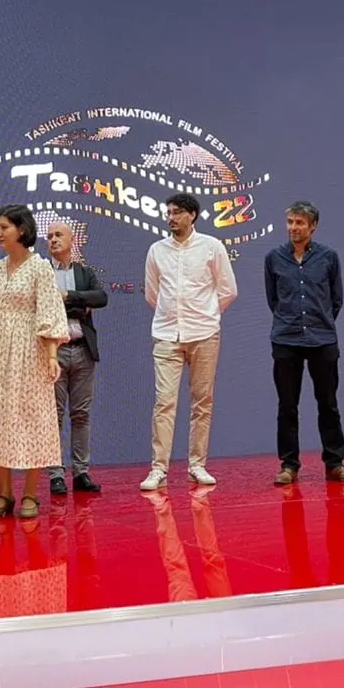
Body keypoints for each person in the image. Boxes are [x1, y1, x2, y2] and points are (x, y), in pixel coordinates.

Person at [0, 204, 69, 519]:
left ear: (21, 229)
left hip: (28, 349)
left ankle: (31, 495)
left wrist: (51, 355)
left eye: (5, 227)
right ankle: (4, 494)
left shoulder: (39, 268)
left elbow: (49, 311)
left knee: (32, 417)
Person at [139, 192, 238, 492]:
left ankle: (197, 465)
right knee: (163, 403)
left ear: (192, 215)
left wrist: (206, 316)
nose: (171, 217)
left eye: (178, 212)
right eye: (168, 212)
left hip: (204, 333)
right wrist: (175, 317)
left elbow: (228, 290)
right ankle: (158, 469)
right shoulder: (156, 250)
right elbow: (152, 294)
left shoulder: (212, 247)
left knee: (202, 403)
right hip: (167, 335)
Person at [264, 200, 344, 485]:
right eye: (290, 222)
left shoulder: (329, 257)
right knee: (287, 406)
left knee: (328, 404)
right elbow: (274, 300)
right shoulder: (273, 258)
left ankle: (334, 464)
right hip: (286, 339)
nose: (294, 228)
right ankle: (289, 465)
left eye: (300, 223)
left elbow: (336, 299)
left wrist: (320, 322)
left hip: (322, 339)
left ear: (313, 226)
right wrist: (290, 321)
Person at [44, 221, 107, 495]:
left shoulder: (84, 272)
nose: (53, 240)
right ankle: (56, 474)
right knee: (53, 416)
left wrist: (69, 296)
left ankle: (81, 472)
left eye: (58, 235)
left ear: (72, 240)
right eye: (49, 236)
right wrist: (80, 306)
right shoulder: (42, 273)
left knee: (81, 414)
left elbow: (101, 297)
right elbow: (45, 305)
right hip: (52, 353)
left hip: (83, 350)